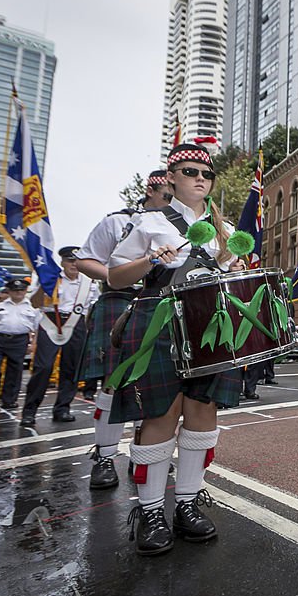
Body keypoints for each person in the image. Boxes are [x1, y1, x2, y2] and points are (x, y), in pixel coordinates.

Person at [107, 143, 244, 556]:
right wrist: (150, 260)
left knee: (202, 412)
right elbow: (115, 276)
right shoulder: (149, 220)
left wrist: (235, 267)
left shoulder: (227, 228)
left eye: (205, 174)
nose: (199, 179)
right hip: (160, 322)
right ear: (171, 178)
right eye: (188, 172)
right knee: (161, 414)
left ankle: (186, 502)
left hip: (208, 324)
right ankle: (150, 511)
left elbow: (230, 276)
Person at [75, 170, 172, 489]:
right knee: (113, 383)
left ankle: (142, 455)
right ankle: (104, 457)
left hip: (160, 305)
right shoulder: (118, 222)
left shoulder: (177, 226)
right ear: (152, 189)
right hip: (120, 301)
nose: (174, 199)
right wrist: (122, 274)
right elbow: (85, 260)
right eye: (168, 192)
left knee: (154, 386)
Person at [20, 247, 99, 427]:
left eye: (76, 261)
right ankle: (29, 411)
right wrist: (46, 285)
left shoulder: (90, 284)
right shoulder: (52, 279)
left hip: (76, 324)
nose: (73, 264)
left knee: (71, 369)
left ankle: (63, 408)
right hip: (51, 322)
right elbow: (35, 303)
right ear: (62, 262)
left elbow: (92, 310)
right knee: (43, 367)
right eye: (69, 260)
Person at [0, 279, 38, 410]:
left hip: (19, 340)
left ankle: (9, 400)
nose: (18, 293)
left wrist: (33, 344)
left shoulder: (33, 309)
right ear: (9, 291)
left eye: (21, 290)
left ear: (25, 291)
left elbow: (37, 329)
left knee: (15, 372)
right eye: (15, 290)